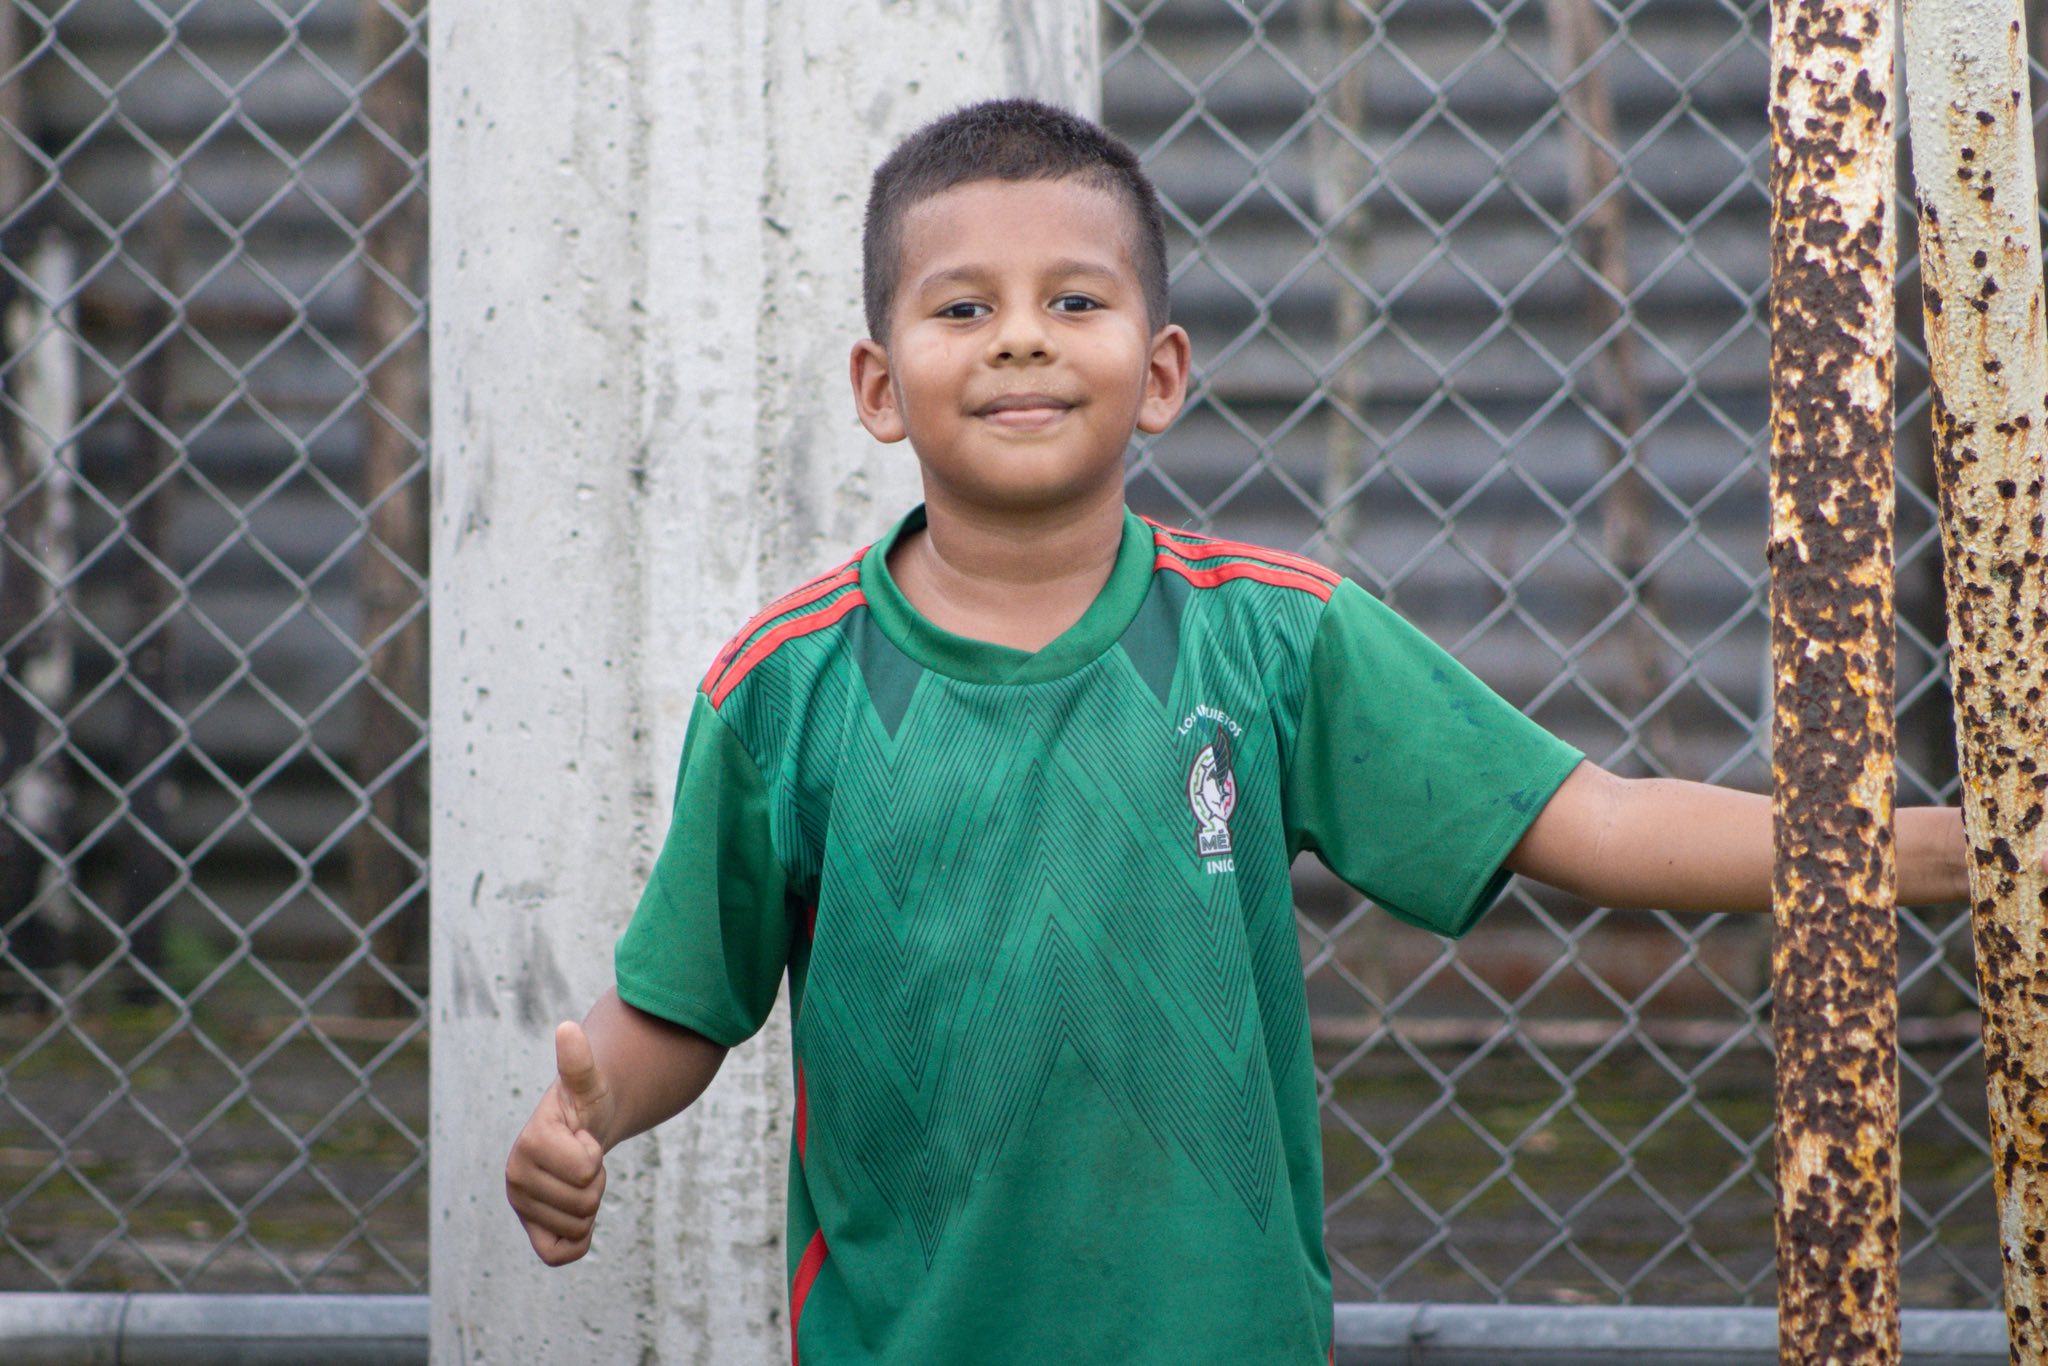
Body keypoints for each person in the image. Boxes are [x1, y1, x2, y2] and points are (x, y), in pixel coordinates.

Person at [504, 99, 1996, 1363]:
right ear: (879, 387)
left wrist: (1960, 852)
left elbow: (1592, 820)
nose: (1019, 340)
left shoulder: (1275, 638)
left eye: (1073, 301)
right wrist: (590, 1117)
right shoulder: (783, 686)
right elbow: (681, 1006)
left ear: (1160, 372)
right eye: (963, 307)